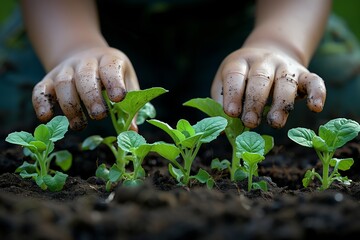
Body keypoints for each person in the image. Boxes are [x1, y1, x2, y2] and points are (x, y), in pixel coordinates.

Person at [19, 0, 331, 132]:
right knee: (34, 104)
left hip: (258, 22)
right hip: (83, 25)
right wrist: (72, 46)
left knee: (329, 97)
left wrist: (282, 45)